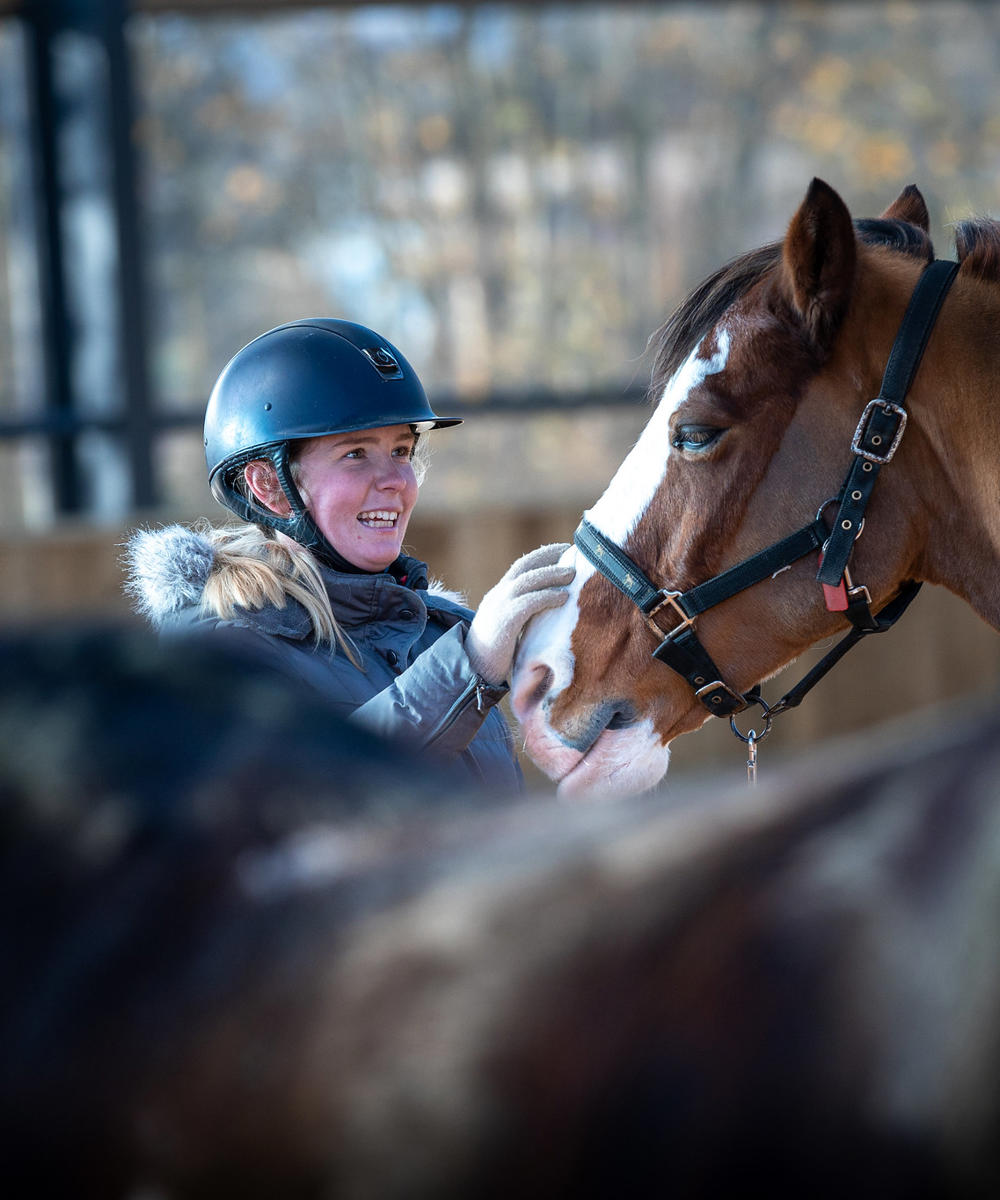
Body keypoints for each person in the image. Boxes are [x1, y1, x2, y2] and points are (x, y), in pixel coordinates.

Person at [125, 318, 573, 794]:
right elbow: (309, 793)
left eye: (401, 450)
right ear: (270, 486)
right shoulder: (218, 650)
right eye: (356, 454)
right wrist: (469, 665)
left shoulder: (437, 633)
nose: (397, 481)